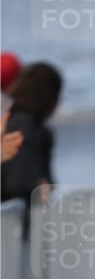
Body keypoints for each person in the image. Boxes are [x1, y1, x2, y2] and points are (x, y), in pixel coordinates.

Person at [0, 61, 62, 205]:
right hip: (20, 220)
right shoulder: (28, 127)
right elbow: (18, 183)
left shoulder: (13, 119)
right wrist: (41, 186)